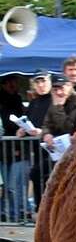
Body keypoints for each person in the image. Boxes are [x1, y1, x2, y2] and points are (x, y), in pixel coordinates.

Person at [17, 70, 52, 211]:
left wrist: (42, 132)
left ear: (49, 81)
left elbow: (55, 124)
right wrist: (22, 130)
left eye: (43, 81)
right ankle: (40, 209)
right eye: (37, 82)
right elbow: (28, 121)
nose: (41, 85)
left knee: (43, 178)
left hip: (52, 149)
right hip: (37, 150)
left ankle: (45, 210)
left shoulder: (54, 99)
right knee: (37, 177)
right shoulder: (34, 103)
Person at [0, 74, 30, 221]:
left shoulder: (17, 99)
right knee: (8, 185)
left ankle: (18, 213)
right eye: (10, 83)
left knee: (14, 185)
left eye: (15, 83)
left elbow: (18, 121)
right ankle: (10, 212)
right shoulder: (5, 100)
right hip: (5, 149)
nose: (14, 85)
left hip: (16, 146)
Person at [41, 74, 76, 149]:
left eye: (62, 88)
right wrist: (46, 134)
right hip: (60, 145)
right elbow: (47, 123)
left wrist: (58, 107)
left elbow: (69, 127)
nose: (58, 92)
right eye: (55, 90)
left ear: (69, 86)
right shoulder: (55, 99)